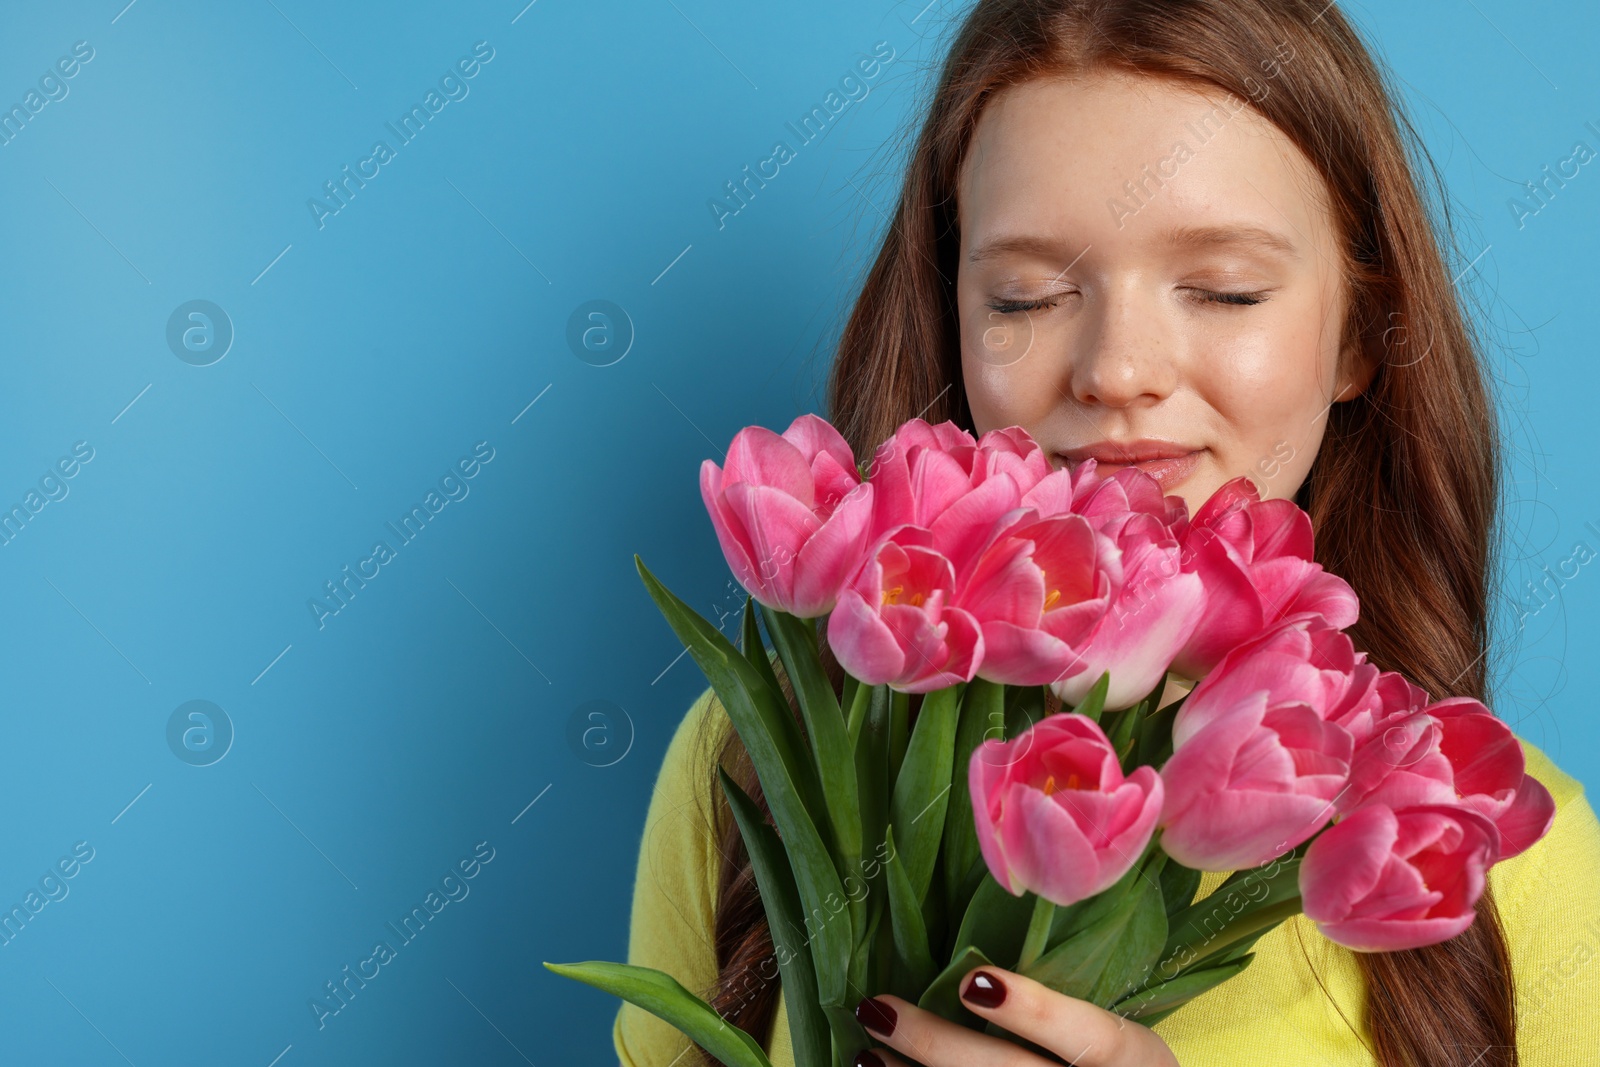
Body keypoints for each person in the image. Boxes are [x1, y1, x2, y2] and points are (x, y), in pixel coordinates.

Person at [615, 1, 1600, 1065]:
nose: (1116, 369)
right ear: (951, 314)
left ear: (1361, 334)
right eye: (1026, 295)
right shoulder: (762, 758)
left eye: (1224, 290)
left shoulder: (1483, 840)